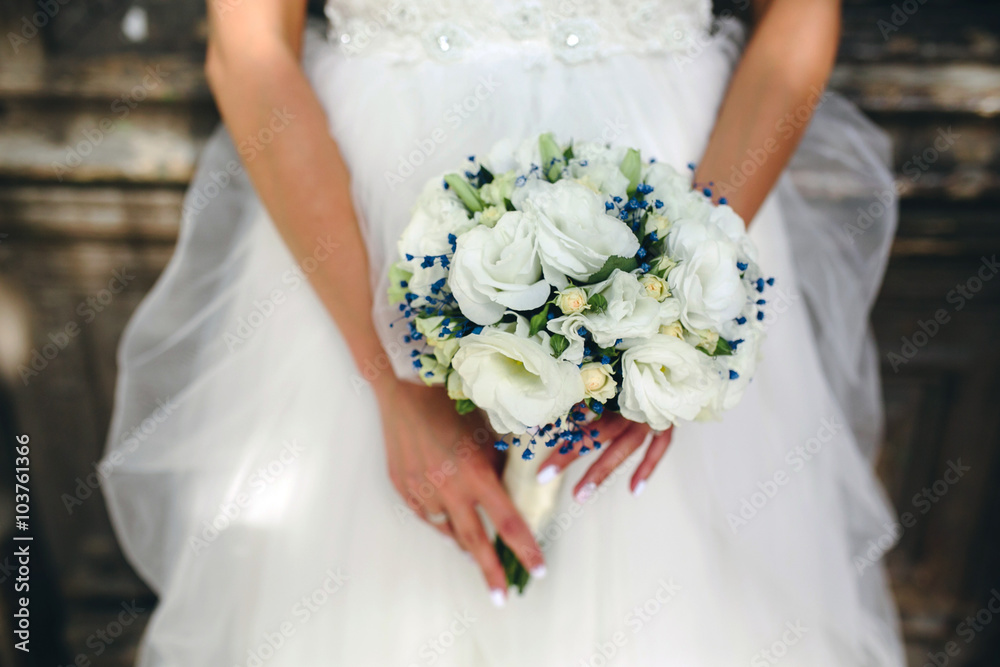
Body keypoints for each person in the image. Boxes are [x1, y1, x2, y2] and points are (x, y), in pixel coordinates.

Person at [102, 0, 905, 664]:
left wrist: (680, 301)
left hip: (675, 187)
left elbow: (799, 21)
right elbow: (248, 48)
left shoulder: (679, 275)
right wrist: (386, 373)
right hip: (370, 226)